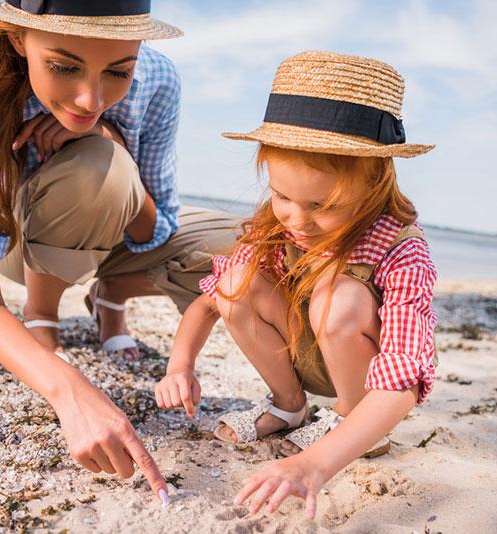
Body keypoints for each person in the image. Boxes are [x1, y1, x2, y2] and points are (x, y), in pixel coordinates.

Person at [0, 0, 238, 504]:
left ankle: (109, 295)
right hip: (25, 249)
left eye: (118, 71)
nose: (91, 96)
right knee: (98, 168)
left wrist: (106, 135)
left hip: (115, 237)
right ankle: (42, 318)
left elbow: (155, 229)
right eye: (64, 66)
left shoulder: (158, 79)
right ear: (17, 39)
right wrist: (68, 388)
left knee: (251, 245)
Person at [155, 51, 438, 518]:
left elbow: (405, 379)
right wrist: (179, 365)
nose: (297, 220)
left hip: (364, 376)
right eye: (282, 195)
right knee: (235, 279)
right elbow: (209, 304)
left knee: (340, 297)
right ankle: (289, 408)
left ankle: (351, 424)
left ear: (373, 184)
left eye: (322, 205)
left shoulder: (400, 248)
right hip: (297, 350)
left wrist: (315, 465)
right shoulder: (281, 223)